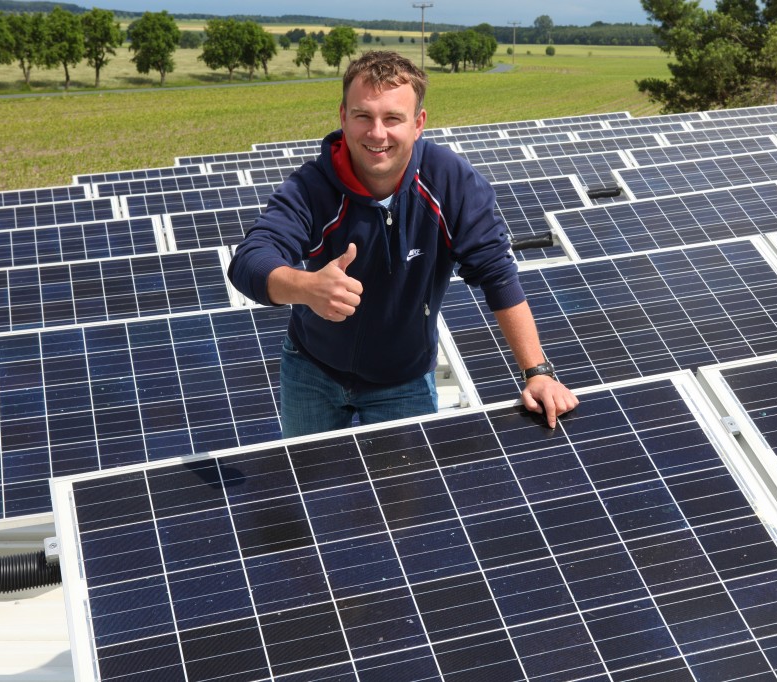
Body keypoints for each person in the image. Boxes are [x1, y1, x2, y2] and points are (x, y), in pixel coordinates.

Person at [227, 50, 578, 437]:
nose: (377, 133)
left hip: (404, 381)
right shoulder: (313, 187)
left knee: (405, 495)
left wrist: (537, 372)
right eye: (363, 116)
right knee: (313, 489)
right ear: (343, 117)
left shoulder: (450, 182)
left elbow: (497, 273)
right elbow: (249, 260)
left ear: (418, 123)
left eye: (393, 118)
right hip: (312, 371)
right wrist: (304, 287)